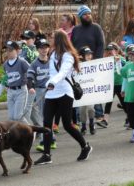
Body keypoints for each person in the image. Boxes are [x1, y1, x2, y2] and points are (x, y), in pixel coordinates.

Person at [34, 30, 92, 165]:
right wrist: (49, 83)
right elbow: (52, 73)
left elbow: (63, 72)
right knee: (47, 123)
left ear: (59, 39)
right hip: (51, 94)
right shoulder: (53, 54)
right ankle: (47, 155)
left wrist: (53, 82)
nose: (50, 40)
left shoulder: (68, 56)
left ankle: (85, 146)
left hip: (65, 93)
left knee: (67, 125)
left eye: (52, 38)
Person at [26, 38, 57, 151]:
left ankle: (49, 139)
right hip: (40, 91)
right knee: (45, 117)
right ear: (38, 49)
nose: (44, 50)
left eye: (46, 47)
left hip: (53, 91)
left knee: (47, 117)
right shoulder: (34, 64)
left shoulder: (53, 62)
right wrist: (31, 88)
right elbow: (29, 77)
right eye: (42, 48)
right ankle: (49, 140)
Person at [98, 42, 128, 128]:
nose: (110, 52)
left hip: (120, 84)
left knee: (123, 102)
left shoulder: (121, 59)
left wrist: (116, 58)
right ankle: (105, 120)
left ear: (116, 50)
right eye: (108, 50)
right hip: (111, 84)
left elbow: (123, 67)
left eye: (112, 50)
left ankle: (129, 118)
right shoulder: (107, 61)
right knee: (108, 102)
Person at [3, 40, 30, 123]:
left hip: (21, 90)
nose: (8, 52)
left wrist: (31, 86)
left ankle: (30, 130)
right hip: (10, 91)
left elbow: (31, 72)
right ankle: (17, 134)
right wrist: (5, 85)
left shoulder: (22, 62)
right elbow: (6, 76)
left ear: (18, 51)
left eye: (11, 50)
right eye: (6, 50)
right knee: (11, 117)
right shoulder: (5, 64)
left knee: (18, 116)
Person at [78, 46, 96, 135]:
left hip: (91, 90)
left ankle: (92, 124)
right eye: (87, 55)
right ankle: (84, 126)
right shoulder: (78, 65)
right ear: (82, 56)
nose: (89, 56)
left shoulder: (94, 64)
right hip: (81, 91)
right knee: (82, 110)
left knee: (91, 108)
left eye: (90, 54)